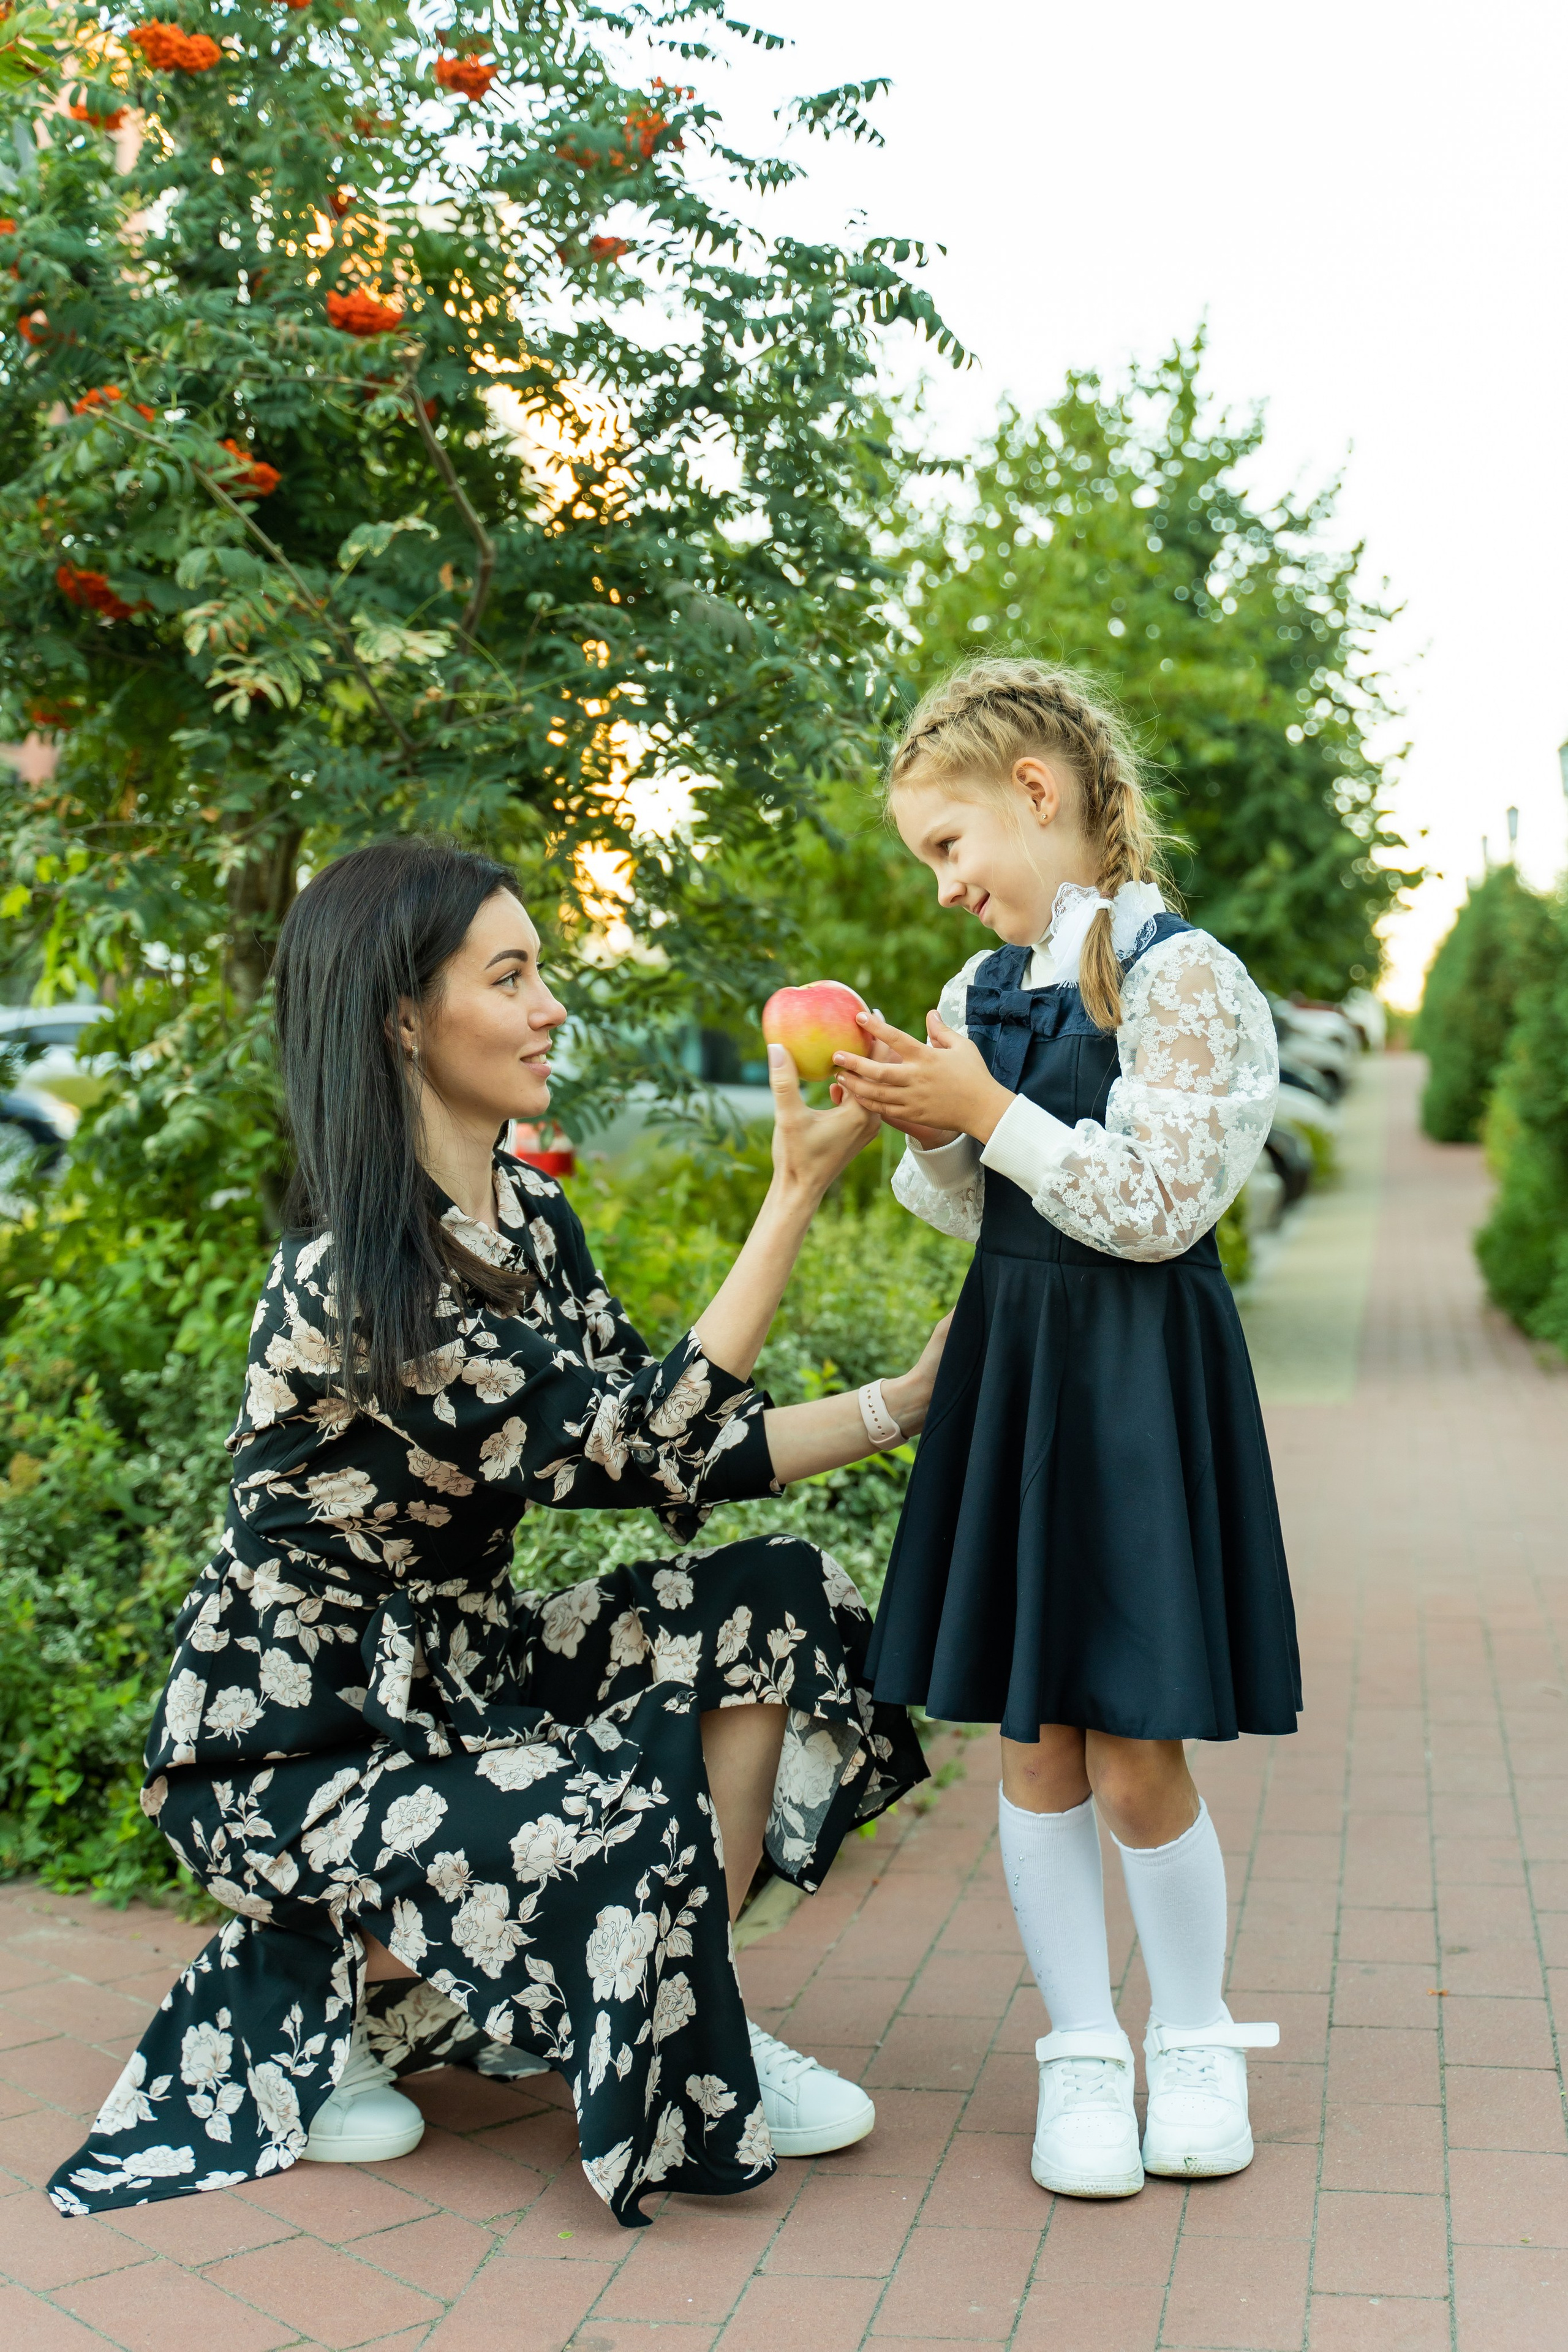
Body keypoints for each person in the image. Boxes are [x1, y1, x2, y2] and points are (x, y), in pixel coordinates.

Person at [50, 837, 944, 2229]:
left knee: (775, 1596)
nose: (551, 1009)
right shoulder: (348, 1285)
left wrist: (905, 1402)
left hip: (463, 1678)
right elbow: (639, 1442)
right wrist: (791, 1195)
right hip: (296, 1743)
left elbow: (676, 1450)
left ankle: (662, 2003)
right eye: (510, 976)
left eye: (542, 973)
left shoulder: (530, 1217)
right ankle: (370, 2011)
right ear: (403, 1017)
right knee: (611, 1807)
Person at [831, 660, 1299, 2201]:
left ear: (1036, 793)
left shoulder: (1185, 981)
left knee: (1132, 1741)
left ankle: (1191, 2037)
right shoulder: (980, 995)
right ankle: (1082, 2050)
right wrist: (924, 1117)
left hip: (1132, 1377)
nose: (949, 889)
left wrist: (982, 1112)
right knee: (1030, 1736)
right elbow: (965, 1200)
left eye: (949, 846)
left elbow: (1154, 1209)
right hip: (1015, 1363)